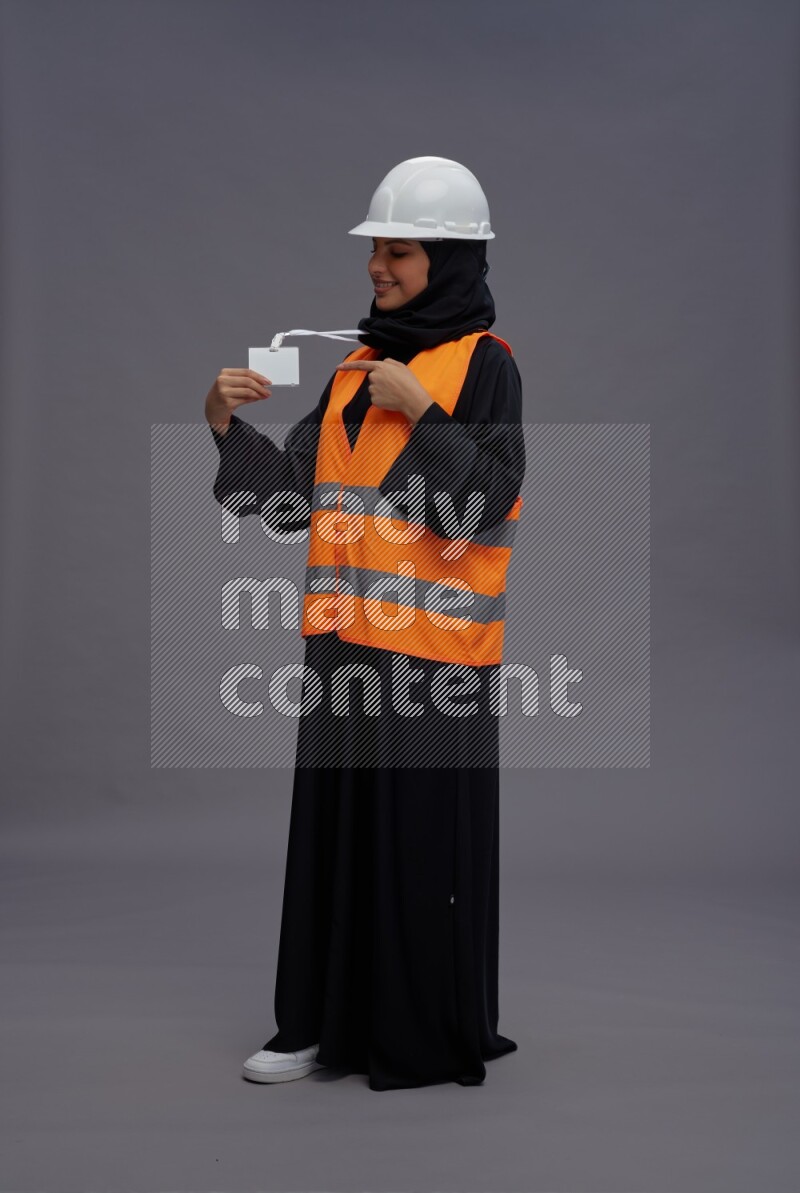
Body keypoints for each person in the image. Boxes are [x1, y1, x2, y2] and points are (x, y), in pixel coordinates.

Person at [205, 156, 526, 1091]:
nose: (379, 268)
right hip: (344, 645)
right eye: (376, 251)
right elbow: (293, 499)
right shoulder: (356, 370)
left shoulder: (486, 369)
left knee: (422, 847)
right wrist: (223, 427)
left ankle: (416, 1035)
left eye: (398, 252)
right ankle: (310, 1027)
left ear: (452, 260)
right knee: (333, 839)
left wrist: (422, 411)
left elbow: (484, 504)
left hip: (437, 659)